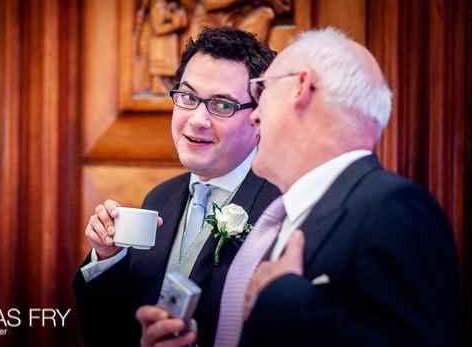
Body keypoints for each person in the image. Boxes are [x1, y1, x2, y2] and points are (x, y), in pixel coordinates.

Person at [137, 27, 461, 346]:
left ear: (301, 87)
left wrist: (283, 299)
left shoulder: (393, 207)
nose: (254, 115)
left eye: (262, 90)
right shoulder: (290, 212)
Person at [73, 26, 280, 346]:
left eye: (222, 105)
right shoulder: (161, 198)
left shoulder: (280, 208)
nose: (197, 119)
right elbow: (110, 332)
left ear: (259, 118)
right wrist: (107, 257)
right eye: (188, 97)